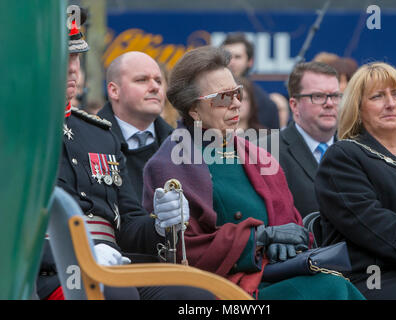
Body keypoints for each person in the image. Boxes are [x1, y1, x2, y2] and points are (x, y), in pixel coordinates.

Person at [141, 45, 365, 300]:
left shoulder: (257, 153)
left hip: (278, 270)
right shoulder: (170, 163)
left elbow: (291, 221)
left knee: (337, 284)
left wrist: (288, 239)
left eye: (237, 93)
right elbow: (185, 251)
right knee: (332, 289)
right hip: (228, 288)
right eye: (224, 97)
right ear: (194, 109)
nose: (237, 103)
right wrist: (260, 239)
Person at [37, 10, 213, 301]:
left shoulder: (100, 135)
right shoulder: (14, 135)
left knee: (196, 295)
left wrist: (160, 223)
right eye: (62, 57)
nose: (72, 68)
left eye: (76, 57)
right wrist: (79, 251)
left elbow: (128, 225)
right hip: (50, 272)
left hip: (114, 266)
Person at [314, 62, 396, 299]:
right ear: (358, 109)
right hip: (378, 276)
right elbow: (368, 218)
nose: (390, 103)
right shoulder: (344, 156)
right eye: (377, 96)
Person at [98, 51, 174, 201]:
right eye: (142, 80)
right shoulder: (88, 141)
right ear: (114, 91)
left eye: (158, 81)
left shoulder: (180, 143)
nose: (155, 87)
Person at [277, 61, 341, 218]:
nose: (329, 104)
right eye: (318, 96)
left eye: (335, 96)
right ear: (294, 105)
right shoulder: (267, 152)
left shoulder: (356, 147)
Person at [221, 33, 280, 130]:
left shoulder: (266, 104)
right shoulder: (209, 96)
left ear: (250, 61)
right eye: (227, 57)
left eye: (237, 57)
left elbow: (273, 142)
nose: (231, 62)